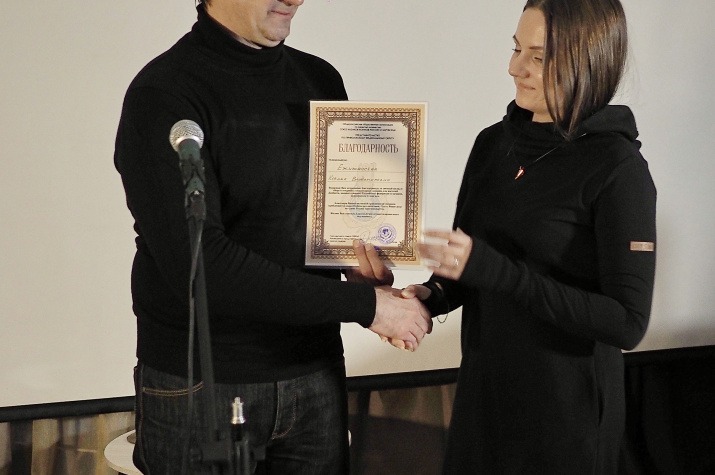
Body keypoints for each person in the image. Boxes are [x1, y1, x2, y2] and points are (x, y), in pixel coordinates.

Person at [113, 0, 431, 473]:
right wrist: (368, 307)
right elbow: (201, 265)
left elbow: (329, 220)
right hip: (204, 384)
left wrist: (357, 266)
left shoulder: (319, 79)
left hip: (315, 372)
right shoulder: (164, 95)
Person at [403, 0, 657, 473]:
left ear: (587, 61)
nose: (514, 68)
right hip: (484, 403)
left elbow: (627, 322)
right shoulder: (493, 144)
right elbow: (468, 269)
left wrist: (498, 272)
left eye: (537, 57)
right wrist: (430, 295)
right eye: (516, 48)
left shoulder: (618, 168)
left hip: (565, 422)